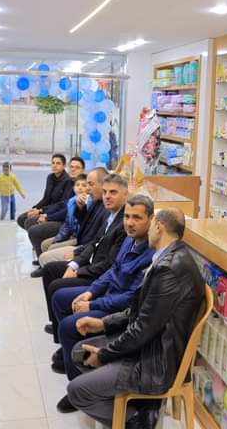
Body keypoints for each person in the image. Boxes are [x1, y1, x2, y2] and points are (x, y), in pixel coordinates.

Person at [66, 209, 205, 429]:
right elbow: (140, 311)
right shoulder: (169, 257)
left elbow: (143, 329)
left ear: (158, 226)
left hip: (154, 361)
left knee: (76, 391)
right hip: (150, 346)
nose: (148, 230)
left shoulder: (168, 269)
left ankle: (134, 422)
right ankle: (138, 407)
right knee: (79, 352)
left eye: (150, 225)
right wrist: (103, 323)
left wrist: (103, 355)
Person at [51, 195, 155, 413]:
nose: (129, 223)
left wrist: (93, 305)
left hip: (119, 310)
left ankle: (77, 385)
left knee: (68, 326)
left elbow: (131, 298)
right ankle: (72, 354)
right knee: (60, 297)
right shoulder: (129, 239)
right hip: (107, 295)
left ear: (151, 220)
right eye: (127, 217)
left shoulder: (151, 254)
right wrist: (90, 292)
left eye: (137, 218)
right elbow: (112, 271)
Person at [40, 172, 128, 338]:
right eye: (105, 192)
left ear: (125, 195)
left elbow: (109, 265)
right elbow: (93, 243)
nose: (107, 196)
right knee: (50, 270)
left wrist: (79, 271)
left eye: (113, 192)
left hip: (98, 274)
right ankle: (58, 328)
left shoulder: (124, 222)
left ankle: (65, 331)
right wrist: (75, 263)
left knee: (57, 287)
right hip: (90, 263)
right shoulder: (110, 214)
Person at [31, 167, 109, 278]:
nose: (87, 189)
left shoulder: (105, 206)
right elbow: (63, 208)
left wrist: (77, 253)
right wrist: (80, 208)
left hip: (82, 245)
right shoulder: (94, 201)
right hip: (79, 239)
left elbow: (97, 240)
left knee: (45, 255)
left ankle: (54, 275)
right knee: (41, 240)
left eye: (90, 184)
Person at [37, 173, 89, 267]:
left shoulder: (89, 202)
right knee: (44, 244)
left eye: (84, 185)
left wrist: (58, 240)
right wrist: (58, 238)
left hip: (79, 237)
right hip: (70, 234)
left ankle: (51, 268)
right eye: (77, 185)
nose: (80, 188)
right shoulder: (71, 201)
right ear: (74, 187)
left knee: (52, 247)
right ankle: (44, 268)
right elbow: (67, 224)